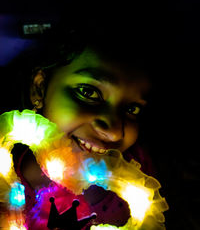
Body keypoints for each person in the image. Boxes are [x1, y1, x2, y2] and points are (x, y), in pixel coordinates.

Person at [3, 19, 165, 229]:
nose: (114, 132)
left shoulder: (140, 173)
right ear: (40, 88)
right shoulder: (6, 184)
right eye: (89, 93)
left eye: (132, 109)